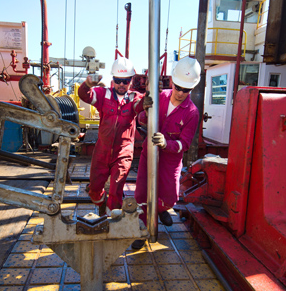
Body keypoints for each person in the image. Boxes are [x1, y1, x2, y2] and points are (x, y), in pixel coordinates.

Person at [132, 56, 201, 250]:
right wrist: (144, 111)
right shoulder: (159, 98)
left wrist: (166, 144)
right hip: (149, 154)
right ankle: (143, 230)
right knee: (141, 195)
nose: (180, 93)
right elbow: (143, 119)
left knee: (170, 198)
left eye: (185, 90)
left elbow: (185, 143)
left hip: (170, 161)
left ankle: (161, 209)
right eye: (178, 87)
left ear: (192, 88)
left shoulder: (192, 112)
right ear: (172, 81)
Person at [78, 57, 145, 215]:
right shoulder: (103, 95)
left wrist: (150, 98)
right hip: (102, 152)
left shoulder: (134, 98)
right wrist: (87, 84)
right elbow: (85, 95)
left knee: (116, 188)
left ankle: (111, 220)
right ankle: (100, 202)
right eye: (118, 80)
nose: (121, 84)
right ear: (113, 79)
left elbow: (140, 105)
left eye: (125, 81)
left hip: (123, 153)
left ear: (130, 80)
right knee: (94, 189)